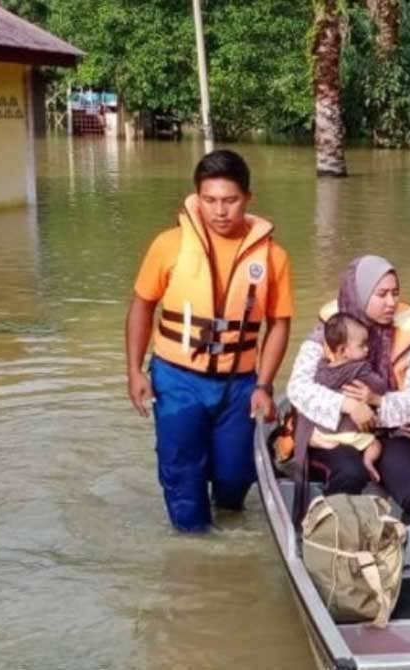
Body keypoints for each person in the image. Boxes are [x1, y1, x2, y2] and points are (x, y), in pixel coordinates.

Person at [125, 149, 294, 533]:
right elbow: (141, 307)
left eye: (230, 200)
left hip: (239, 384)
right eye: (210, 200)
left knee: (237, 475)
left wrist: (265, 385)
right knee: (182, 474)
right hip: (177, 378)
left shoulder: (273, 257)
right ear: (197, 198)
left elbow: (279, 324)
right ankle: (193, 554)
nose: (220, 211)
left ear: (247, 198)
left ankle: (229, 529)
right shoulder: (168, 245)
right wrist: (134, 370)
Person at [287, 255, 410, 523]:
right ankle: (331, 541)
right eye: (382, 294)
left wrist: (377, 401)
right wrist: (350, 405)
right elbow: (297, 387)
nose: (392, 302)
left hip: (387, 432)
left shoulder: (406, 339)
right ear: (360, 294)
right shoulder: (327, 335)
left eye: (395, 293)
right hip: (332, 432)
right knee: (350, 473)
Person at [294, 314, 386, 486]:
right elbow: (380, 386)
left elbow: (306, 387)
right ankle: (368, 462)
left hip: (323, 433)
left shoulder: (321, 367)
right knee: (375, 445)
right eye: (363, 346)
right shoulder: (360, 368)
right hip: (351, 434)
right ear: (343, 350)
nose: (367, 349)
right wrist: (375, 395)